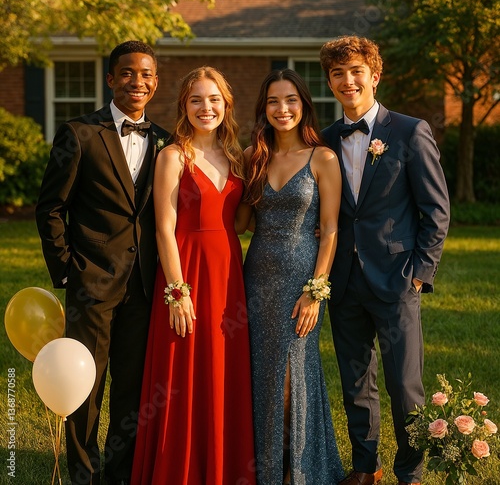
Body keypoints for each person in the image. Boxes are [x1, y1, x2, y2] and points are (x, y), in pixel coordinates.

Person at [35, 40, 170, 485]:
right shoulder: (79, 134)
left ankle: (121, 475)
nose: (138, 81)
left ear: (155, 82)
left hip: (145, 287)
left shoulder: (166, 141)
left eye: (147, 74)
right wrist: (68, 271)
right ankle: (83, 476)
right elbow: (50, 208)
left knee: (131, 393)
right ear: (111, 79)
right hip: (90, 285)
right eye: (128, 73)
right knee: (85, 390)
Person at [319, 35, 451, 485]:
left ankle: (409, 471)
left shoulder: (410, 131)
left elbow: (436, 210)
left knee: (404, 386)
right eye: (338, 73)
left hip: (397, 279)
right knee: (356, 382)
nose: (347, 80)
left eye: (356, 71)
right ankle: (364, 465)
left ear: (375, 76)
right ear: (331, 82)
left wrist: (419, 274)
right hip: (344, 280)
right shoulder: (326, 140)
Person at [130, 66, 256, 485]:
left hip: (227, 277)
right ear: (184, 105)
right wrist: (177, 291)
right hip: (185, 272)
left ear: (226, 105)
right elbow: (163, 226)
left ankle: (222, 466)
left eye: (214, 99)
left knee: (222, 371)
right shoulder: (172, 155)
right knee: (182, 371)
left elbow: (238, 224)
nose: (207, 107)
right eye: (197, 99)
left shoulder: (237, 156)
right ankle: (178, 469)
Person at [242, 68, 344, 484]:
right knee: (261, 375)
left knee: (291, 377)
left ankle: (297, 469)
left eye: (290, 101)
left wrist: (316, 292)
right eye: (273, 102)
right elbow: (241, 223)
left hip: (301, 280)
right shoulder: (254, 157)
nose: (282, 109)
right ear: (263, 109)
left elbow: (331, 229)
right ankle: (264, 468)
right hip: (256, 278)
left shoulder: (323, 158)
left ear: (303, 105)